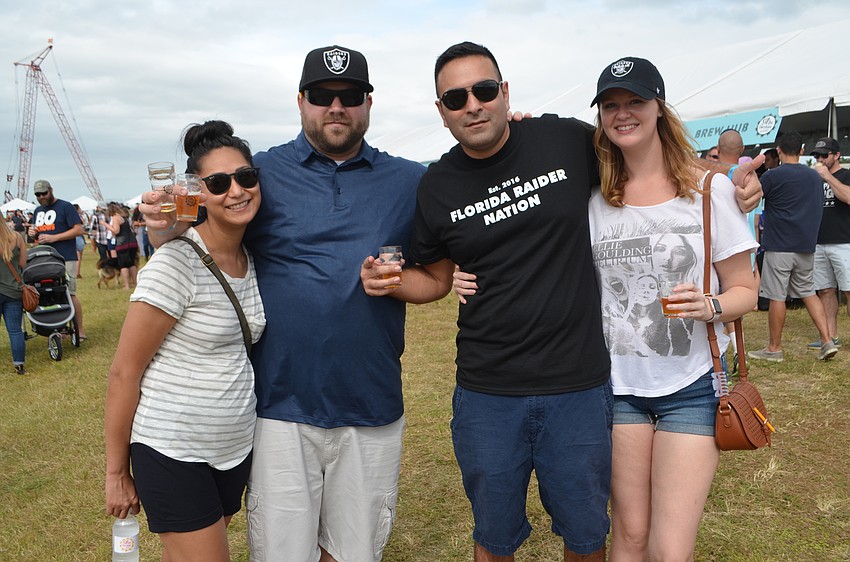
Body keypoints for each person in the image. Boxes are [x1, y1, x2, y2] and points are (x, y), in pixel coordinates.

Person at [362, 43, 763, 562]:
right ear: (441, 111)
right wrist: (395, 282)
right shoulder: (438, 184)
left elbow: (647, 157)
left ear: (505, 93)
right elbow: (436, 277)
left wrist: (733, 183)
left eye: (484, 90)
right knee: (496, 537)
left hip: (581, 386)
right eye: (456, 98)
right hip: (490, 389)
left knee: (588, 536)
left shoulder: (564, 140)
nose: (473, 105)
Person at [142, 46, 426, 562]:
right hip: (279, 408)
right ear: (300, 101)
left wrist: (518, 131)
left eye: (350, 96)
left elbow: (440, 268)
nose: (335, 107)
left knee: (354, 553)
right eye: (321, 95)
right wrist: (162, 228)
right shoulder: (259, 174)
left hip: (371, 404)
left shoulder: (409, 180)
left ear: (368, 102)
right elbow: (195, 228)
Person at [585, 56, 758, 560]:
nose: (623, 113)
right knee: (630, 534)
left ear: (659, 107)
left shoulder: (709, 190)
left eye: (635, 101)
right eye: (610, 105)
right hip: (618, 388)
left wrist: (710, 304)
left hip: (692, 387)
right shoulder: (596, 199)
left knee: (669, 548)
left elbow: (746, 290)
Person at [105, 120, 265, 562]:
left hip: (232, 451)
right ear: (199, 194)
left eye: (246, 176)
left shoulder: (252, 258)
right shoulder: (176, 262)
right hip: (173, 449)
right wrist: (116, 473)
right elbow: (124, 373)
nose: (236, 191)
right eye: (219, 183)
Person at [748, 131, 838, 362]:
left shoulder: (772, 176)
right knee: (808, 292)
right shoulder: (814, 177)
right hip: (806, 245)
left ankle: (774, 348)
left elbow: (753, 198)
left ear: (778, 150)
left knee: (776, 296)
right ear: (801, 151)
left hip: (779, 245)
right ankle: (827, 340)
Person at [28, 180, 86, 340]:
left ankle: (80, 330)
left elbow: (78, 230)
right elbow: (34, 238)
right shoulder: (38, 210)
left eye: (44, 193)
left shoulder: (65, 207)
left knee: (70, 293)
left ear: (51, 190)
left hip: (66, 257)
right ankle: (58, 328)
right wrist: (32, 233)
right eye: (38, 194)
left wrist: (55, 238)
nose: (41, 197)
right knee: (50, 293)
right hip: (44, 260)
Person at [808, 137, 850, 349]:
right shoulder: (815, 179)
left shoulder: (846, 175)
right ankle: (830, 336)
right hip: (819, 241)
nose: (820, 159)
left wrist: (827, 177)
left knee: (849, 291)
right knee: (825, 290)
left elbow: (848, 197)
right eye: (817, 155)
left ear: (837, 155)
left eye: (824, 155)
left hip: (844, 241)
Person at [0, 218, 28, 375]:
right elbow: (22, 264)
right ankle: (19, 364)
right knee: (15, 330)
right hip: (14, 290)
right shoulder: (17, 237)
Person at [102, 202, 139, 290]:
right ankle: (136, 283)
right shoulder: (124, 217)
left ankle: (127, 285)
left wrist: (106, 225)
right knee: (132, 264)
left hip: (122, 243)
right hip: (132, 242)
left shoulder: (115, 218)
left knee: (124, 265)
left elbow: (116, 231)